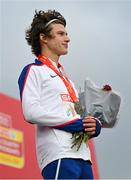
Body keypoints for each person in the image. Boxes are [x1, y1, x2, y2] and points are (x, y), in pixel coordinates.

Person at [18, 10, 102, 179]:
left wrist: (95, 124)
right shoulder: (33, 71)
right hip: (59, 154)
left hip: (84, 157)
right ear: (44, 38)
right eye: (60, 34)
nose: (67, 38)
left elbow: (78, 116)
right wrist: (71, 124)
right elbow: (31, 112)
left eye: (66, 34)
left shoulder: (67, 80)